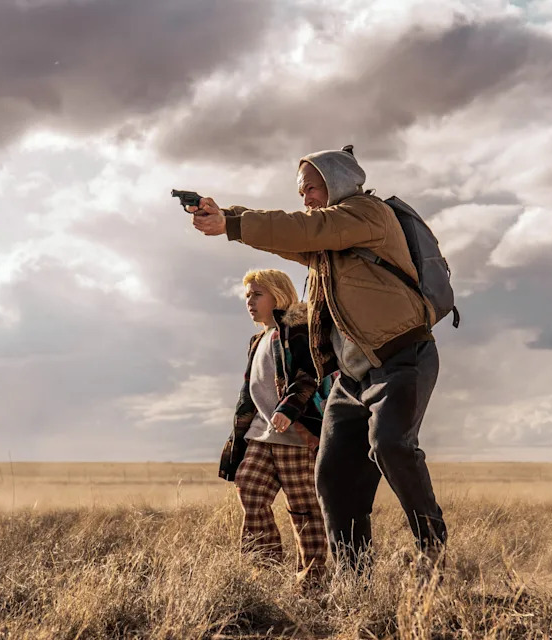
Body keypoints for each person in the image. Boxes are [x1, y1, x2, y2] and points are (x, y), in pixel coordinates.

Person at [191, 146, 447, 572]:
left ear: (338, 182)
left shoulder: (367, 214)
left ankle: (430, 543)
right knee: (331, 477)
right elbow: (291, 235)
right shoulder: (327, 245)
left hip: (403, 357)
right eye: (301, 191)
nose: (305, 197)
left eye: (311, 187)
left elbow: (306, 229)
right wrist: (228, 216)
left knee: (389, 446)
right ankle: (354, 579)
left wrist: (232, 223)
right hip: (351, 377)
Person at [218, 268, 328, 585]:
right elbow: (250, 393)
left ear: (277, 294)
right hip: (261, 435)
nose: (249, 302)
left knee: (304, 508)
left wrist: (289, 408)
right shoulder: (258, 339)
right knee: (249, 489)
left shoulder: (296, 327)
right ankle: (265, 570)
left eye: (257, 294)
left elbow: (310, 374)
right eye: (247, 296)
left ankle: (312, 578)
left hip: (295, 436)